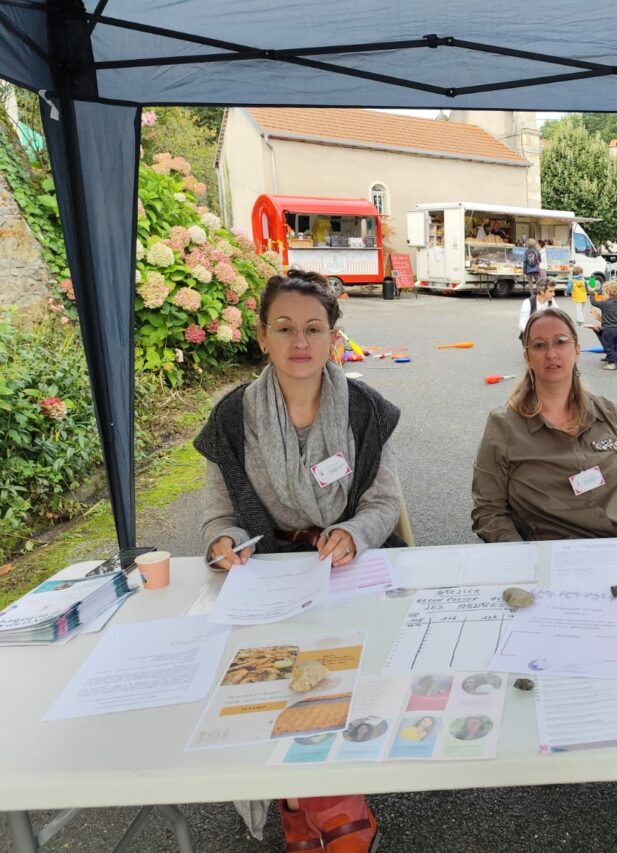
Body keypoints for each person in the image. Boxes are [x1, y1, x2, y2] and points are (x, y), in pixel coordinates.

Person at [195, 269, 400, 853]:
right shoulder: (231, 419)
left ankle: (312, 799)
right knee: (273, 681)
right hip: (266, 578)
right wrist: (222, 544)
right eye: (284, 328)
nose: (300, 342)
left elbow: (383, 503)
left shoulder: (364, 410)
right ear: (262, 336)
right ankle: (320, 800)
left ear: (335, 336)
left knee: (333, 673)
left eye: (314, 328)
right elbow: (215, 518)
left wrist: (354, 534)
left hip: (345, 568)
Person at [471, 307, 617, 542]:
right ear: (527, 357)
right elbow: (489, 512)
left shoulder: (609, 412)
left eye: (561, 342)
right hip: (552, 559)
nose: (552, 353)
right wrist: (525, 560)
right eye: (539, 345)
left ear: (576, 350)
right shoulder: (504, 426)